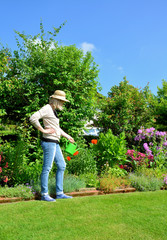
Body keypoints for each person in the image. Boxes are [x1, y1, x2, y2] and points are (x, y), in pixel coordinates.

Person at [29, 90, 74, 202]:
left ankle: (59, 193)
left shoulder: (53, 110)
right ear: (56, 100)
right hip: (49, 142)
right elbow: (33, 118)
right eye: (62, 101)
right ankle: (44, 194)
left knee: (62, 165)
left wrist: (67, 136)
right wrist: (43, 130)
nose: (63, 103)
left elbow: (56, 128)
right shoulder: (47, 108)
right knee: (47, 168)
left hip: (55, 142)